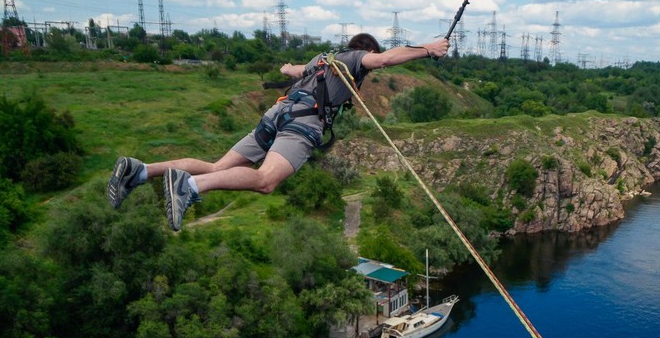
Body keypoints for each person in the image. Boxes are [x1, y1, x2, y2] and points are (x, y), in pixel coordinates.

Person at [108, 33, 450, 231]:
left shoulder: (322, 59)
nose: (369, 70)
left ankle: (139, 172)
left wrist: (287, 67)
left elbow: (292, 69)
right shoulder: (356, 58)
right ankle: (191, 187)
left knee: (217, 167)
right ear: (367, 51)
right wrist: (427, 49)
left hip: (277, 114)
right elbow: (387, 59)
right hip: (302, 124)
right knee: (266, 181)